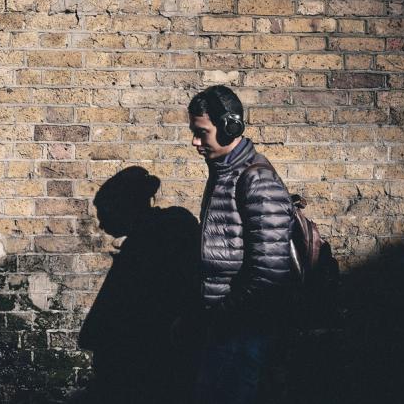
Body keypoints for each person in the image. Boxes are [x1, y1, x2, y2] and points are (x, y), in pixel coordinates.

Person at [184, 85, 294, 404]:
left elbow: (269, 274)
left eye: (201, 132)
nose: (195, 141)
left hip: (243, 334)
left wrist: (221, 319)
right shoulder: (223, 174)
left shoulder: (256, 180)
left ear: (230, 127)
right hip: (223, 330)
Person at [79, 167, 199, 404]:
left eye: (103, 213)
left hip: (148, 358)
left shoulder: (144, 245)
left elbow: (120, 311)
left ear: (123, 207)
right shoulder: (170, 229)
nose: (101, 224)